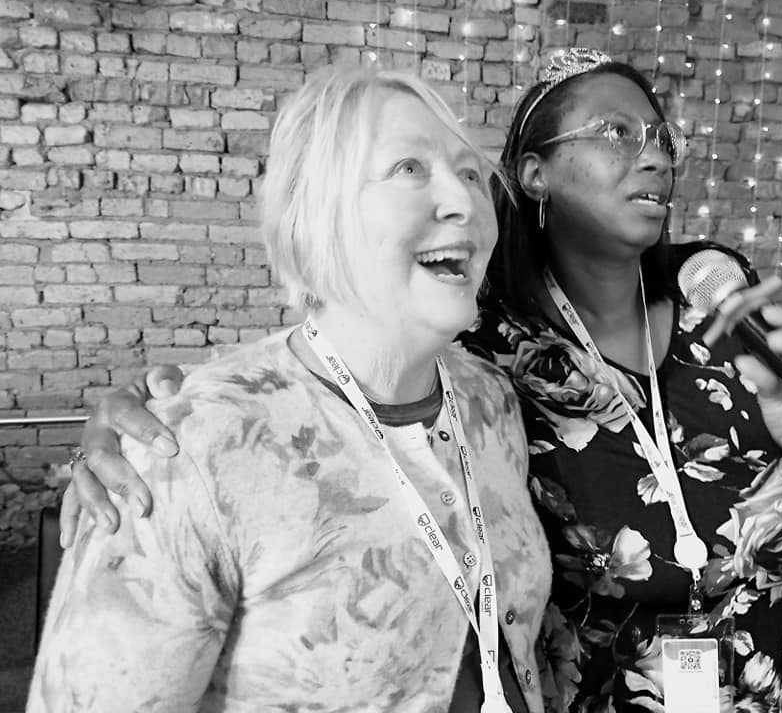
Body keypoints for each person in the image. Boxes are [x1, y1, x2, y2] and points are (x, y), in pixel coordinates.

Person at [58, 50, 782, 713]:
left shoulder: (704, 312)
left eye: (662, 135)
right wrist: (164, 428)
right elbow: (329, 357)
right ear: (533, 176)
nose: (656, 152)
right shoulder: (493, 350)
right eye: (618, 132)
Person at [28, 66, 552, 713]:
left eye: (471, 174)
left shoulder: (491, 402)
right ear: (316, 210)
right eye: (409, 168)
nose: (464, 203)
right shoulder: (191, 445)